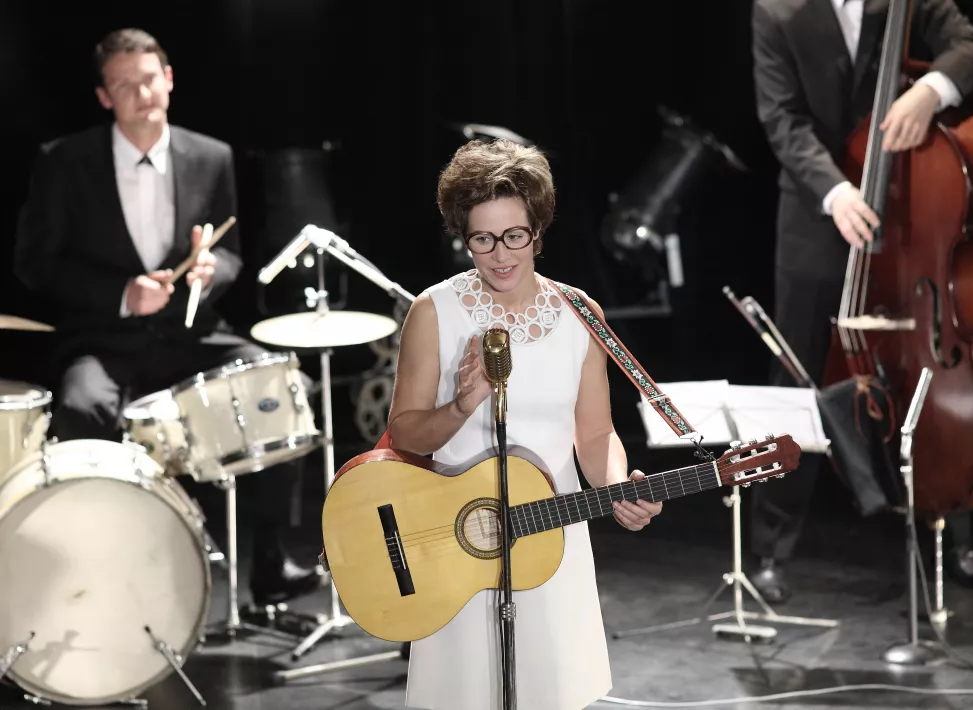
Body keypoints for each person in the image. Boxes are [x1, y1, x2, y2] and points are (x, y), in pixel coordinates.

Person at [14, 28, 323, 607]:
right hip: (104, 338)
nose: (142, 95)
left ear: (170, 79)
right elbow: (35, 263)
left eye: (149, 80)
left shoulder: (210, 156)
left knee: (286, 388)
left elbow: (230, 253)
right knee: (82, 406)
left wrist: (211, 272)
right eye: (124, 86)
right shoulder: (64, 160)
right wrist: (122, 294)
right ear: (104, 96)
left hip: (190, 333)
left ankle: (272, 562)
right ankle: (102, 571)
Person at [386, 138, 662, 710]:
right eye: (482, 239)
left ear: (537, 231)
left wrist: (616, 486)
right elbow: (406, 433)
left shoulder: (581, 314)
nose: (499, 254)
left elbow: (595, 434)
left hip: (553, 539)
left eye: (514, 235)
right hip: (460, 541)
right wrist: (461, 406)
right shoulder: (433, 311)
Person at [749, 0, 973, 602]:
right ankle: (770, 547)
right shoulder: (776, 11)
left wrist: (930, 91)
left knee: (929, 375)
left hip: (914, 199)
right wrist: (836, 193)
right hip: (818, 207)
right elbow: (782, 117)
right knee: (798, 372)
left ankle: (950, 535)